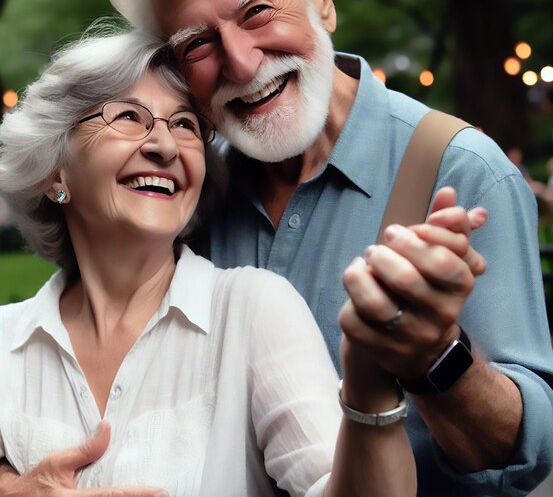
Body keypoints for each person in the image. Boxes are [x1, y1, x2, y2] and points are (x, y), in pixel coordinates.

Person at [104, 0, 553, 496]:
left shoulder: (462, 171)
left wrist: (435, 360)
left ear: (322, 1)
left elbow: (521, 457)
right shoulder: (188, 190)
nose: (241, 61)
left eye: (257, 12)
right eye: (199, 43)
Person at [0, 28, 428, 496]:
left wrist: (368, 384)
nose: (164, 146)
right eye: (128, 116)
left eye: (184, 124)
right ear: (54, 173)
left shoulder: (252, 309)